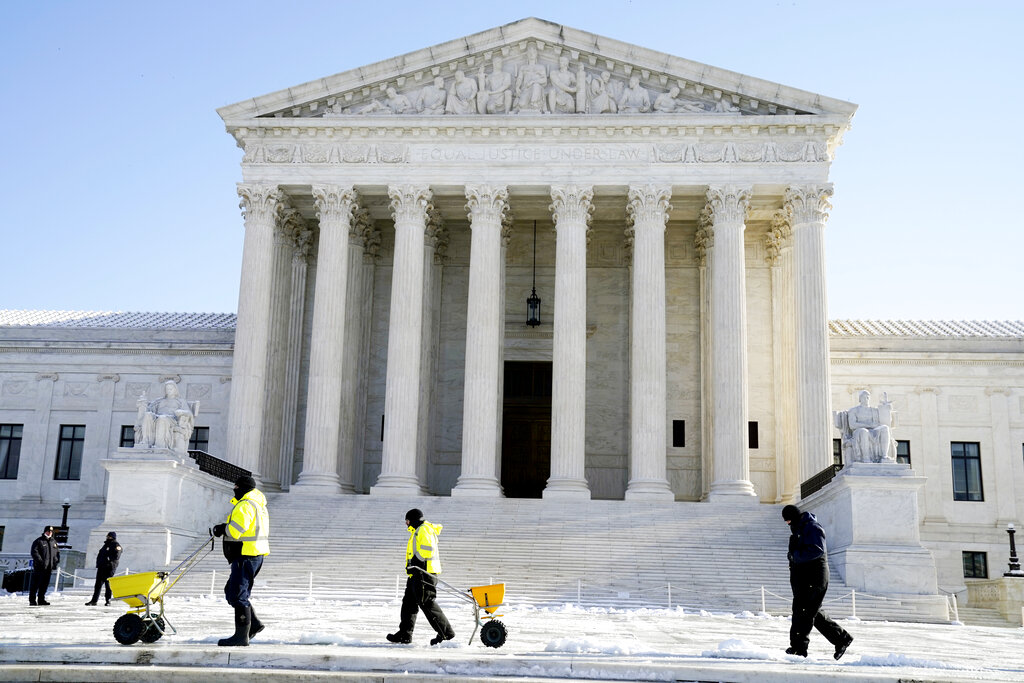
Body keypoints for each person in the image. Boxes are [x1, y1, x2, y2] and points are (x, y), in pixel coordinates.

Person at [782, 505, 853, 659]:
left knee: (806, 612)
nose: (787, 524)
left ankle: (799, 648)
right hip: (803, 577)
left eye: (788, 520)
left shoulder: (812, 527)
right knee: (806, 611)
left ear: (793, 517)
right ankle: (841, 639)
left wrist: (795, 556)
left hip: (814, 576)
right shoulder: (799, 528)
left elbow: (817, 549)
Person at [212, 475, 270, 647]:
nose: (234, 489)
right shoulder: (257, 504)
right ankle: (254, 625)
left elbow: (236, 531)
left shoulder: (245, 505)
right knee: (231, 590)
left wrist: (222, 528)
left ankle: (241, 636)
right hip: (254, 554)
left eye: (236, 486)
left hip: (246, 554)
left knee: (237, 594)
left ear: (242, 487)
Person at [386, 508, 455, 646]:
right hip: (416, 573)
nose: (406, 524)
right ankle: (405, 634)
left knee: (426, 602)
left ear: (413, 520)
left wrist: (417, 561)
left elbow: (427, 548)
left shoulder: (423, 529)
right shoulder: (418, 530)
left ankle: (446, 633)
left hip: (424, 573)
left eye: (407, 521)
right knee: (408, 604)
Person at [135, 380, 197, 452]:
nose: (169, 391)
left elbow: (188, 413)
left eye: (171, 389)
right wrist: (142, 404)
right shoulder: (159, 401)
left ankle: (160, 444)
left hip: (172, 420)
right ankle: (146, 441)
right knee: (148, 415)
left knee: (162, 419)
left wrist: (181, 412)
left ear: (175, 390)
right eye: (167, 389)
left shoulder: (180, 401)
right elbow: (149, 409)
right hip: (157, 417)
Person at [85, 531, 122, 606]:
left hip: (109, 568)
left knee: (108, 585)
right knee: (98, 585)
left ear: (113, 537)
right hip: (101, 567)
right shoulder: (105, 545)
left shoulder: (116, 545)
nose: (107, 538)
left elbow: (116, 556)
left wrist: (108, 560)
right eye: (107, 536)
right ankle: (94, 601)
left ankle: (108, 600)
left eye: (109, 536)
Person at [29, 525, 60, 606]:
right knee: (35, 584)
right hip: (40, 567)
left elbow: (57, 553)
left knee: (44, 585)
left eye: (51, 531)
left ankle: (41, 599)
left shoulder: (53, 542)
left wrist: (55, 562)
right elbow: (34, 552)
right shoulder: (39, 541)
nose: (50, 533)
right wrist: (40, 562)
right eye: (48, 531)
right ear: (45, 531)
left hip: (49, 567)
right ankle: (32, 600)